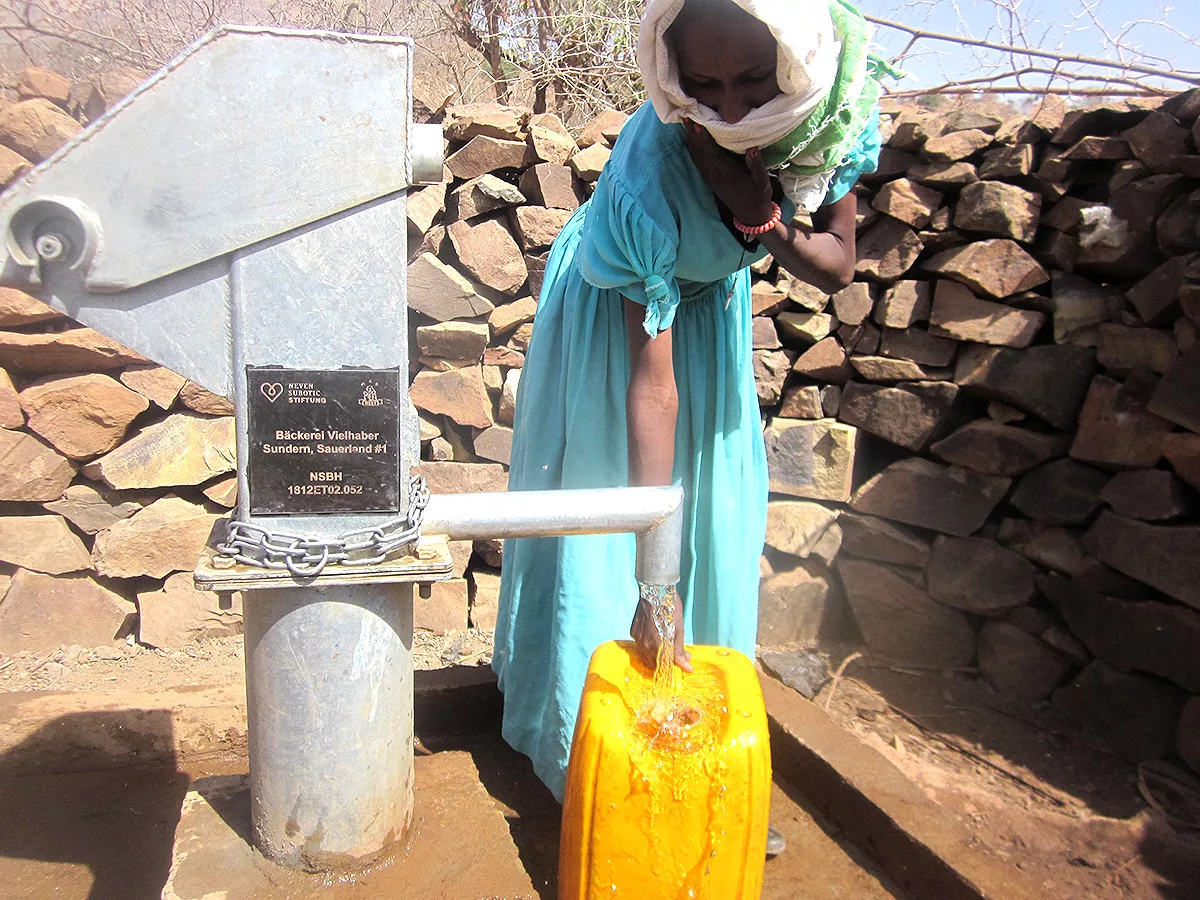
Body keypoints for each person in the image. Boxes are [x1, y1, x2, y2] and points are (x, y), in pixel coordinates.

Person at [492, 0, 887, 851]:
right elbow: (650, 390)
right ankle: (597, 771)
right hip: (618, 322)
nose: (732, 108)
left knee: (713, 510)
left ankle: (701, 764)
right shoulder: (653, 176)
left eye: (752, 80)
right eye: (704, 85)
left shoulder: (834, 109)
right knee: (616, 520)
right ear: (672, 77)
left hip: (713, 309)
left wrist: (760, 216)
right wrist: (652, 578)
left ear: (795, 63)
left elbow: (835, 264)